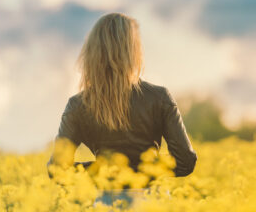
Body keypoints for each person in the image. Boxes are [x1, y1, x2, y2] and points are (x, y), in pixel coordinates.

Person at [47, 13, 197, 184]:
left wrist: (104, 170)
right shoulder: (159, 97)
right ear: (134, 51)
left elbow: (57, 170)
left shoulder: (78, 105)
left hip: (106, 203)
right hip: (153, 203)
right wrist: (144, 169)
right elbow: (185, 162)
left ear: (92, 52)